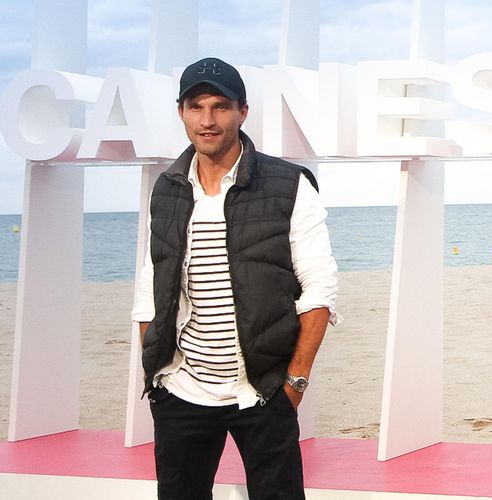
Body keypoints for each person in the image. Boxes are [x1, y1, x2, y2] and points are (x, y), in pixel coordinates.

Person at [131, 57, 340, 500]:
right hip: (181, 390)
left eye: (220, 106)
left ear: (243, 111)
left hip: (262, 390)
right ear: (181, 112)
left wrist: (294, 384)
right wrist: (157, 373)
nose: (207, 120)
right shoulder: (168, 187)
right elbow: (152, 284)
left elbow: (319, 290)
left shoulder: (289, 184)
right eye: (196, 106)